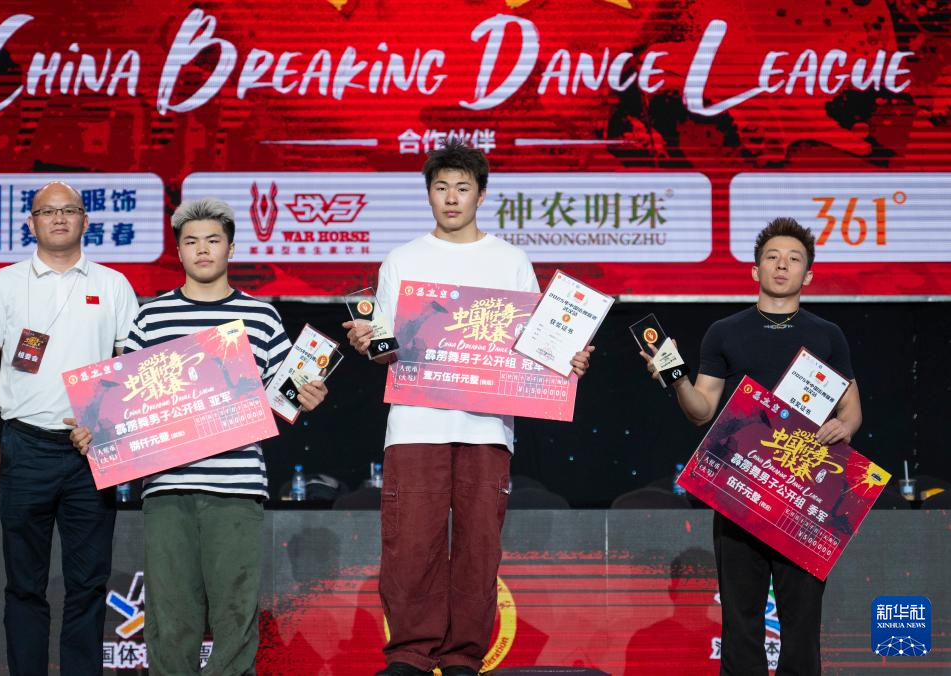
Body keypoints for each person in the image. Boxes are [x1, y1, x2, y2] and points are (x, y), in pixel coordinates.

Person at [344, 141, 594, 676]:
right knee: (412, 541)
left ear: (481, 195)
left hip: (487, 428)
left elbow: (538, 344)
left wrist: (568, 357)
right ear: (428, 195)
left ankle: (463, 656)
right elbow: (385, 345)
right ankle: (410, 653)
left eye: (462, 188)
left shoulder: (510, 261)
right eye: (441, 188)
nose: (452, 198)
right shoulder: (402, 260)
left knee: (480, 545)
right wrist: (368, 342)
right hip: (415, 424)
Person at [70, 198, 327, 675]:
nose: (203, 250)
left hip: (236, 486)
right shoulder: (151, 317)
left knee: (235, 611)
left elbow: (283, 396)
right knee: (170, 616)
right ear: (179, 252)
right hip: (167, 487)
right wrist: (97, 431)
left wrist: (306, 394)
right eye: (191, 242)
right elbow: (123, 399)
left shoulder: (262, 317)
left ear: (231, 248)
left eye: (213, 240)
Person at [640, 217, 862, 675]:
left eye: (794, 259)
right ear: (755, 270)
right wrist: (676, 378)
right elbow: (701, 410)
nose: (782, 265)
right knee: (740, 618)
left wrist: (843, 427)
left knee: (803, 620)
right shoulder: (725, 331)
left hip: (804, 492)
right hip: (741, 486)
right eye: (772, 257)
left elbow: (851, 410)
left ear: (808, 275)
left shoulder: (828, 334)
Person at [0, 180, 139, 675]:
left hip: (92, 450)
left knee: (88, 584)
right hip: (23, 446)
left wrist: (106, 424)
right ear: (31, 222)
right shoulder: (3, 282)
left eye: (69, 210)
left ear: (86, 219)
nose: (59, 218)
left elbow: (130, 364)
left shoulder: (113, 284)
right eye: (47, 211)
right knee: (25, 584)